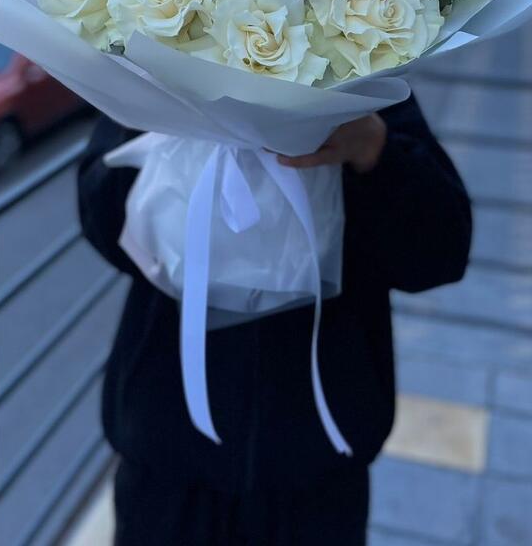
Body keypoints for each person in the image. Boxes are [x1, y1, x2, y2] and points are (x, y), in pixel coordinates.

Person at [77, 94, 472, 546]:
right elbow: (99, 216)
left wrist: (373, 147)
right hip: (167, 461)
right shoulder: (153, 79)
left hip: (317, 471)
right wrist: (160, 127)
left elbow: (440, 255)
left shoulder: (366, 83)